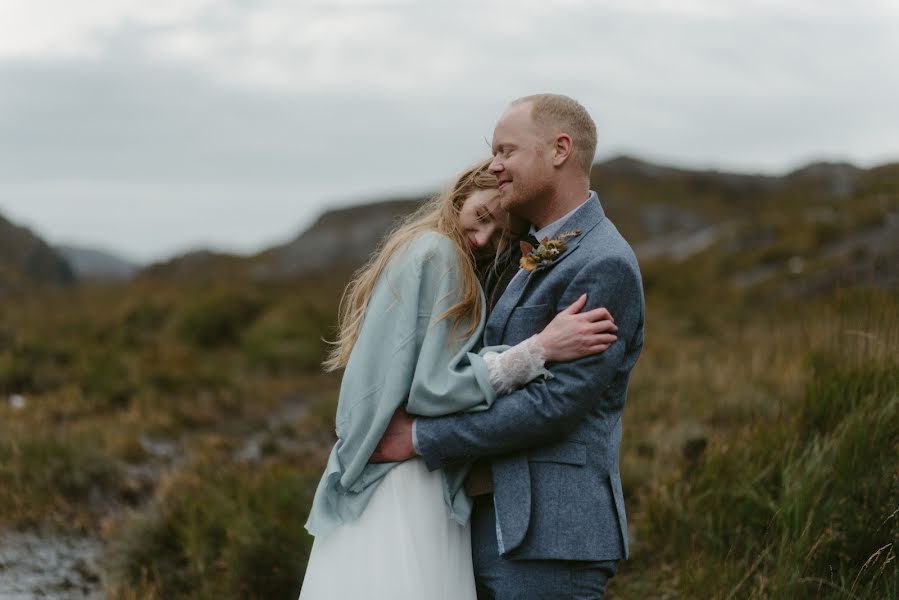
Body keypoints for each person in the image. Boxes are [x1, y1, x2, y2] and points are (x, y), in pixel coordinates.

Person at [299, 157, 619, 599]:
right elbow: (432, 387)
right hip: (407, 479)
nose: (483, 239)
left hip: (382, 473)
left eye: (500, 235)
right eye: (482, 216)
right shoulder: (439, 253)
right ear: (463, 191)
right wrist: (537, 350)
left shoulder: (413, 246)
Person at [371, 94, 645, 599]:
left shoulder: (604, 262)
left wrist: (419, 440)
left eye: (506, 150)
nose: (494, 165)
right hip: (488, 527)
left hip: (552, 537)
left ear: (560, 149)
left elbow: (554, 405)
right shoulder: (532, 250)